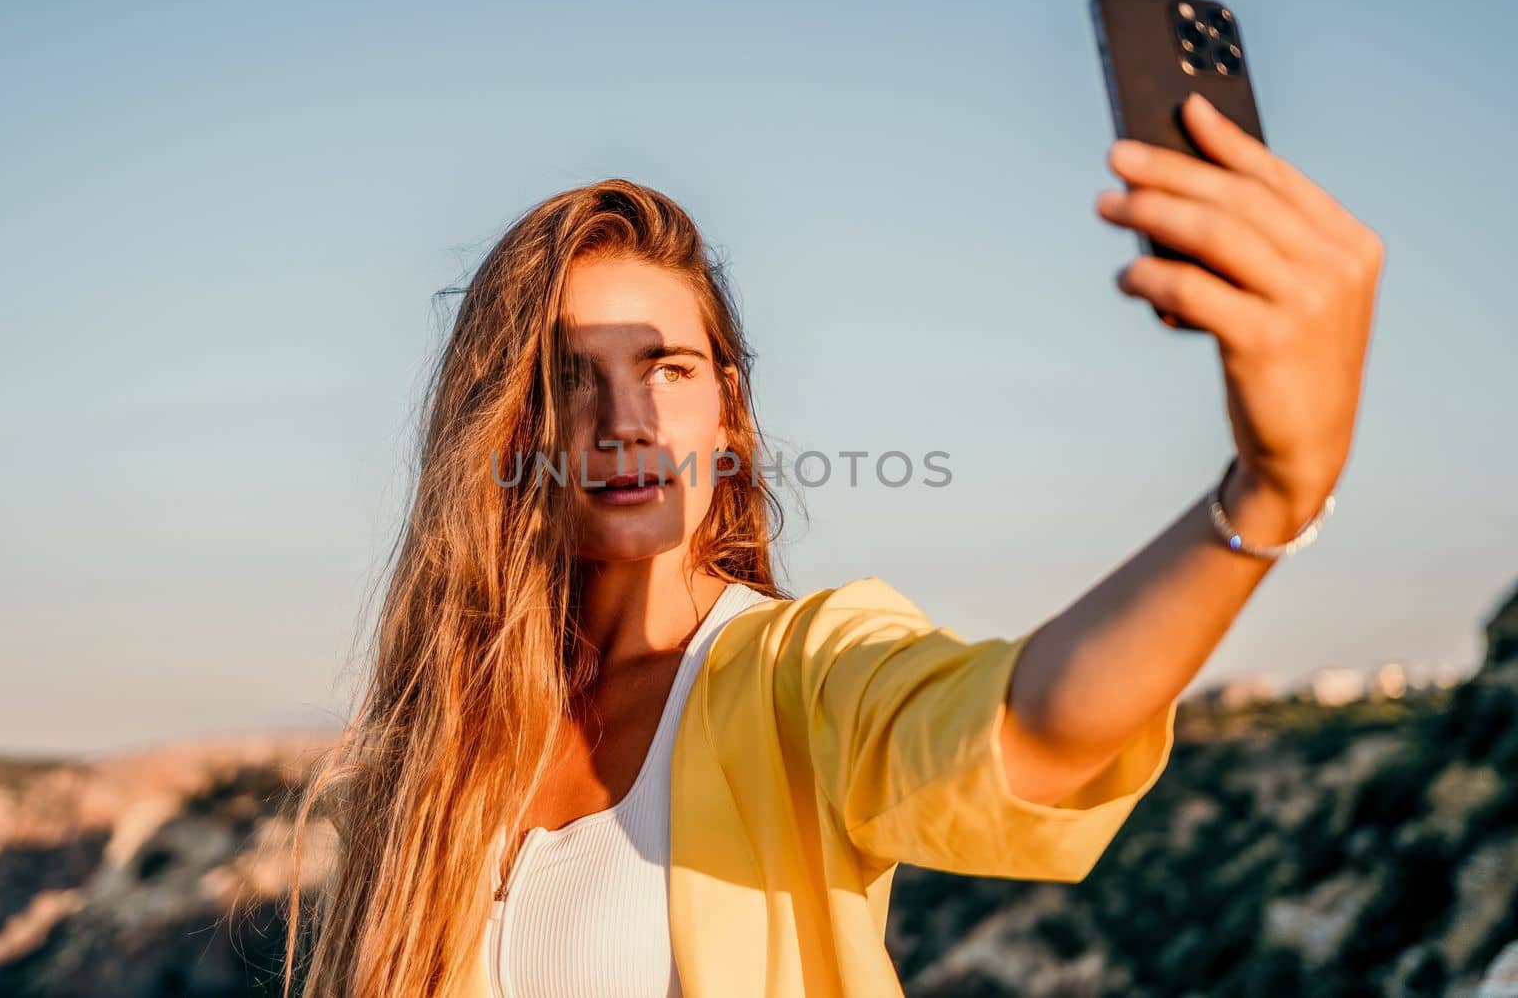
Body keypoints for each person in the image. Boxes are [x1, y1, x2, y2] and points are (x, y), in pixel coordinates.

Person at [279, 92, 1383, 997]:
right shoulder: (438, 747)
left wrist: (1270, 492)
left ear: (727, 413)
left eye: (665, 366)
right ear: (507, 424)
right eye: (572, 375)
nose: (627, 419)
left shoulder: (796, 672)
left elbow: (1029, 727)